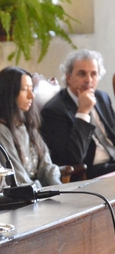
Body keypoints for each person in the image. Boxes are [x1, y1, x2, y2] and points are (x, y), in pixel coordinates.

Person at [40, 49, 115, 178]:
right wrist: (83, 112)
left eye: (94, 74)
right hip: (89, 172)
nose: (89, 80)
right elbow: (73, 158)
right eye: (82, 74)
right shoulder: (54, 110)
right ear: (69, 77)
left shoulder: (102, 97)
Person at [0, 66, 62, 188]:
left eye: (31, 89)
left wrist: (59, 189)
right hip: (25, 199)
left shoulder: (27, 123)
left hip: (39, 192)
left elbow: (46, 166)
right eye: (24, 89)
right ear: (9, 93)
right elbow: (18, 177)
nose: (31, 95)